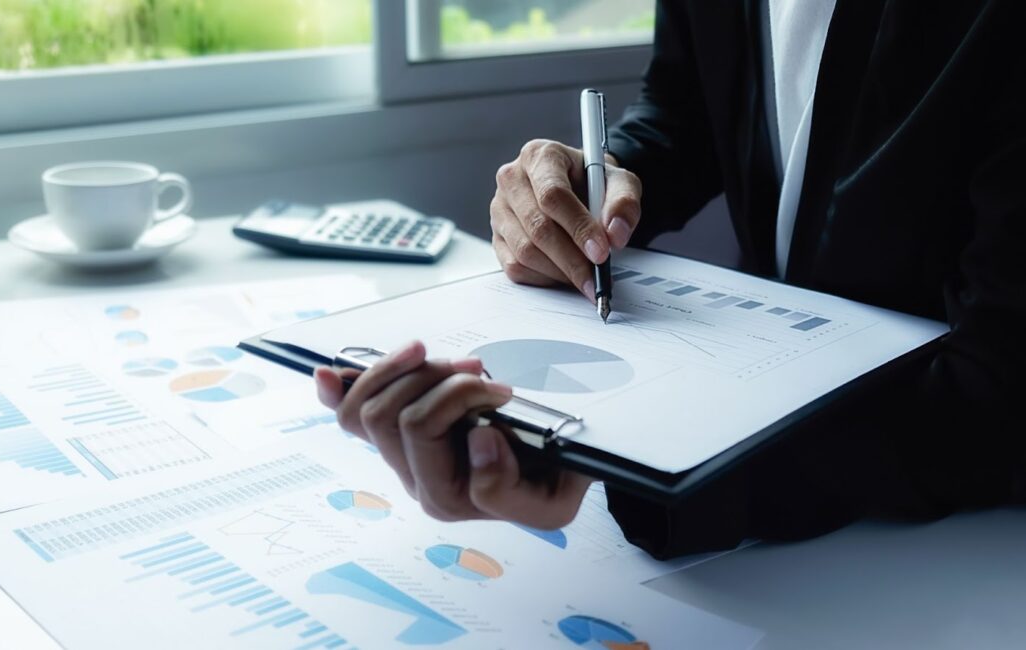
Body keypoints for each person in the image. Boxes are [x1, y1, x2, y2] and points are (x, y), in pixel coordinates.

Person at [315, 0, 1024, 558]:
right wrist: (597, 181)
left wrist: (648, 470)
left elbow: (1002, 394)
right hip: (803, 489)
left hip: (960, 539)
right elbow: (687, 106)